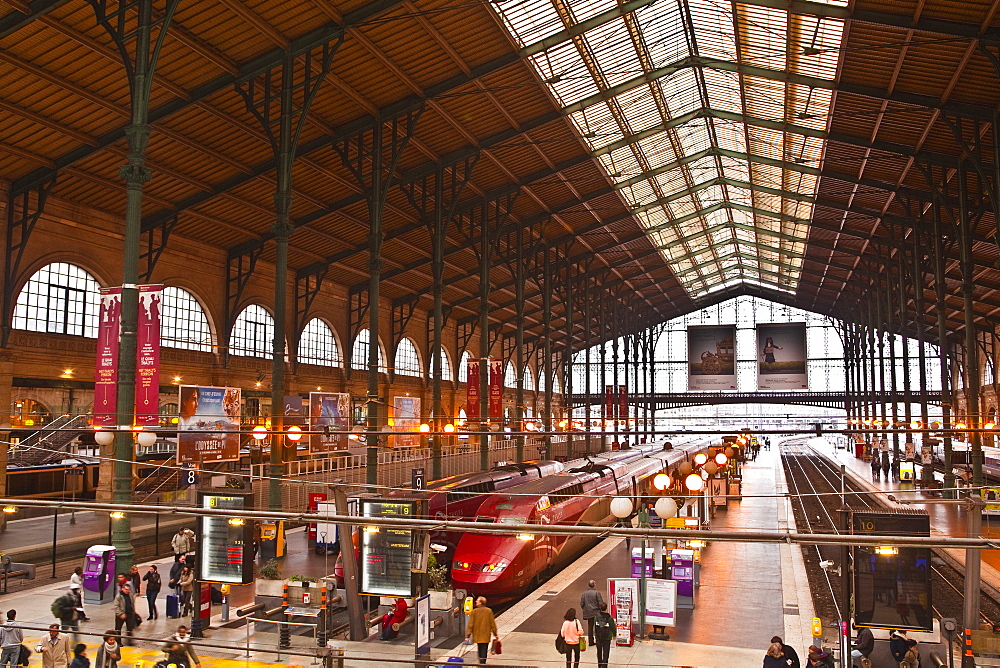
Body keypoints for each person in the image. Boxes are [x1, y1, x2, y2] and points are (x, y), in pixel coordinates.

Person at [464, 596, 498, 666]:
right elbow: (492, 623)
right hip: (486, 634)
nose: (476, 602)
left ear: (481, 603)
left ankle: (481, 662)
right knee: (484, 649)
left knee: (480, 648)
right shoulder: (489, 611)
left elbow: (470, 625)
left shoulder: (474, 611)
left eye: (477, 601)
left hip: (477, 634)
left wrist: (467, 636)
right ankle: (483, 663)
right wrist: (495, 634)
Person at [579, 580, 604, 645]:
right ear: (594, 585)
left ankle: (590, 641)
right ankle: (598, 640)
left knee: (590, 627)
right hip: (596, 612)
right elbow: (600, 603)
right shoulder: (597, 593)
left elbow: (582, 603)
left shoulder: (584, 593)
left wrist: (585, 609)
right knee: (597, 627)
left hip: (588, 612)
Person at [593, 602, 614, 668]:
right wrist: (614, 634)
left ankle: (599, 664)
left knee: (599, 651)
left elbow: (595, 625)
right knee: (606, 652)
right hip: (607, 637)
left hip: (598, 637)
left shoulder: (597, 616)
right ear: (606, 608)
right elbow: (612, 627)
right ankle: (604, 665)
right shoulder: (609, 617)